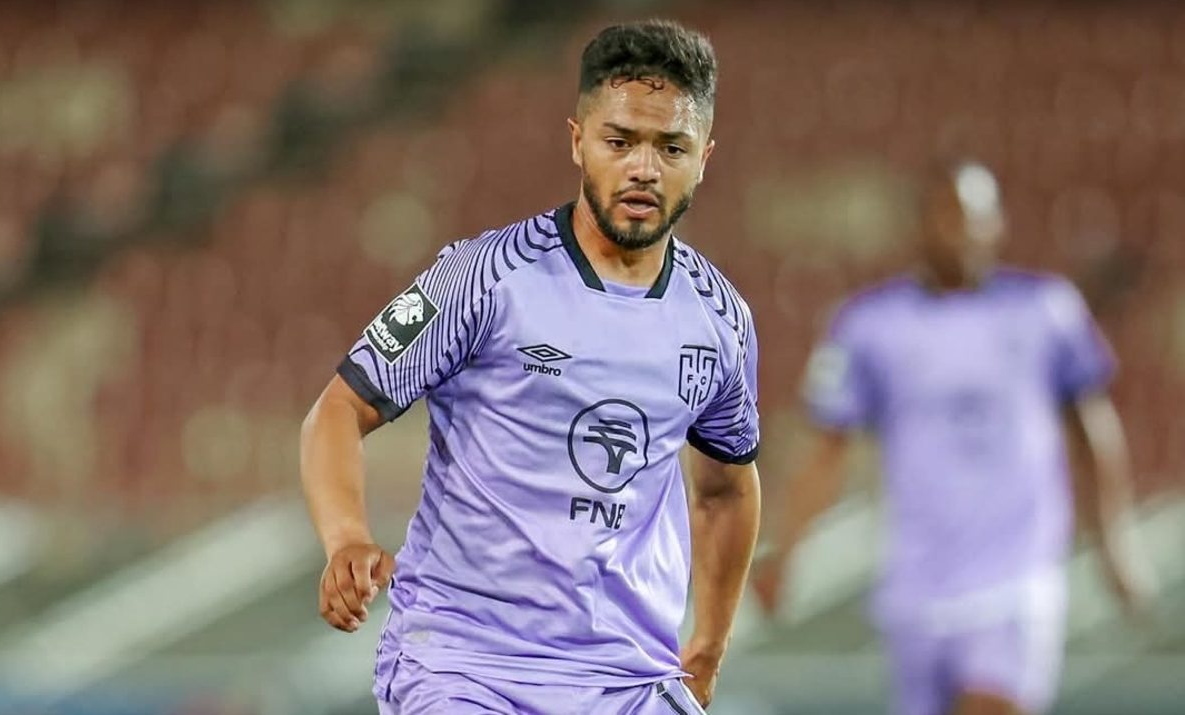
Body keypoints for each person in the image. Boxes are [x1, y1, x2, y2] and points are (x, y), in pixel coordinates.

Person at [300, 19, 761, 714]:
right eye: (619, 141)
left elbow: (726, 489)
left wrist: (709, 646)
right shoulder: (481, 277)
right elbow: (338, 409)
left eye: (672, 147)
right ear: (577, 141)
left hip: (624, 679)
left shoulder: (719, 319)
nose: (643, 168)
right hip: (465, 665)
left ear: (704, 158)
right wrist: (347, 538)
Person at [752, 161, 1155, 715]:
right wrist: (786, 554)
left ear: (998, 224)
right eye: (947, 216)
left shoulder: (1046, 311)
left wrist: (1116, 546)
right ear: (920, 226)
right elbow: (827, 450)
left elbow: (1093, 433)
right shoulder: (871, 324)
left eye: (973, 216)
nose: (960, 230)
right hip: (916, 589)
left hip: (1015, 580)